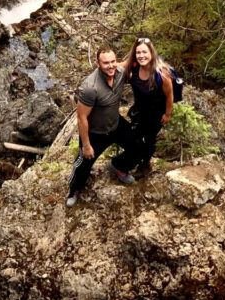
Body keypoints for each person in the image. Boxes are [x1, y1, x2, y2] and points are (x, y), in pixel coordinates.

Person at [66, 46, 138, 208]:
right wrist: (86, 145)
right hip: (95, 132)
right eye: (106, 63)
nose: (111, 66)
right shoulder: (90, 88)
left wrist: (145, 50)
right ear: (98, 64)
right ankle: (73, 190)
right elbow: (81, 117)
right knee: (82, 166)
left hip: (115, 124)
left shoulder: (120, 73)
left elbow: (131, 61)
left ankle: (118, 166)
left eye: (113, 61)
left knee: (137, 145)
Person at [113, 35, 173, 177]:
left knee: (149, 140)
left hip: (155, 115)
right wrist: (106, 66)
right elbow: (117, 66)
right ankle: (127, 162)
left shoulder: (161, 74)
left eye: (144, 52)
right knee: (135, 138)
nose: (141, 56)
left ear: (151, 53)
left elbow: (170, 95)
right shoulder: (133, 66)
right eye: (138, 53)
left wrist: (168, 114)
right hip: (139, 111)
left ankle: (144, 165)